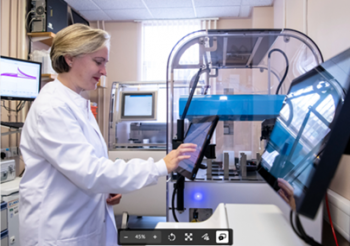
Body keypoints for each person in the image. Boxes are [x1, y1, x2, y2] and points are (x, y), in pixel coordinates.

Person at [19, 24, 196, 246]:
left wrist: (106, 189)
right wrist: (160, 166)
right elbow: (91, 172)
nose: (104, 71)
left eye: (105, 63)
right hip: (57, 231)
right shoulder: (52, 108)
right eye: (98, 62)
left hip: (82, 225)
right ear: (70, 58)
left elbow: (87, 167)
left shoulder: (76, 103)